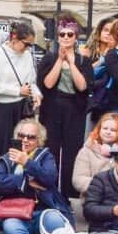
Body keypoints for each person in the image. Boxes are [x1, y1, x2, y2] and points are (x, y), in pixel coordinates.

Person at [0, 118, 75, 234]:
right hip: (14, 213)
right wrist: (25, 180)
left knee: (56, 219)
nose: (25, 140)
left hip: (41, 211)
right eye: (21, 136)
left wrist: (27, 163)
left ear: (39, 140)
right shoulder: (5, 158)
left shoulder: (46, 156)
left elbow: (49, 178)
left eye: (31, 137)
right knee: (10, 226)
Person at [36, 19, 94, 199]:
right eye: (62, 34)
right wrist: (60, 60)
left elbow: (83, 86)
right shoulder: (49, 58)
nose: (66, 38)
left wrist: (72, 62)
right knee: (50, 150)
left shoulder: (83, 60)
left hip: (74, 108)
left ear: (76, 38)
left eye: (70, 34)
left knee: (72, 152)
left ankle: (69, 195)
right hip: (52, 107)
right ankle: (48, 192)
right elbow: (47, 83)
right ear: (57, 37)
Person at [0, 22, 39, 180]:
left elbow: (31, 81)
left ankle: (15, 184)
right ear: (14, 38)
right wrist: (16, 91)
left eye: (31, 45)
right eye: (26, 44)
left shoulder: (26, 55)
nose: (28, 48)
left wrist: (37, 94)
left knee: (19, 148)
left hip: (19, 107)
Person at [73, 113, 118, 196]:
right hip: (93, 199)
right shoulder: (86, 151)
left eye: (113, 130)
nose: (108, 132)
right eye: (105, 128)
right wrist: (103, 187)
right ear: (99, 129)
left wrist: (114, 153)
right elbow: (78, 180)